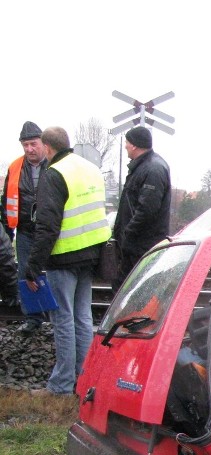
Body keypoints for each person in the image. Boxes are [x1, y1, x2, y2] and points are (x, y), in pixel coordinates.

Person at [25, 126, 110, 396]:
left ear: (48, 148)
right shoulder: (90, 169)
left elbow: (47, 226)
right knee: (83, 319)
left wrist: (33, 265)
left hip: (63, 257)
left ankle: (61, 385)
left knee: (62, 320)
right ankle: (82, 379)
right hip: (90, 256)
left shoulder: (54, 173)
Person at [1, 121, 50, 332]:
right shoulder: (15, 167)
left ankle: (55, 319)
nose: (29, 149)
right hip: (25, 230)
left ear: (43, 143)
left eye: (33, 144)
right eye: (25, 145)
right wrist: (6, 231)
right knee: (26, 274)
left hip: (52, 230)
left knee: (54, 274)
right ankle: (34, 319)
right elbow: (7, 202)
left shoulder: (55, 164)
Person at [112, 125, 171, 291]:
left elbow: (147, 210)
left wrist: (127, 232)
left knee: (132, 290)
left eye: (127, 142)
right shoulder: (146, 166)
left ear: (134, 145)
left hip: (141, 245)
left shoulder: (152, 169)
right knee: (124, 289)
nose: (125, 146)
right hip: (137, 244)